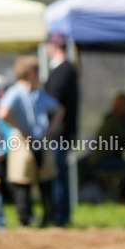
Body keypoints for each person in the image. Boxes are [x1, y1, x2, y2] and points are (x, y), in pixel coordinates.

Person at [0, 56, 64, 227]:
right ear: (31, 73)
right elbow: (2, 113)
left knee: (46, 180)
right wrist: (22, 131)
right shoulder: (15, 92)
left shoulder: (38, 93)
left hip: (40, 140)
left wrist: (49, 132)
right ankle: (25, 219)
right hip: (22, 141)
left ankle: (47, 218)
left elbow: (59, 110)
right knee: (22, 183)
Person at [43, 32, 79, 226]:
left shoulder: (62, 71)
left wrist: (48, 131)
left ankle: (59, 217)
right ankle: (61, 216)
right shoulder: (67, 69)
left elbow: (53, 103)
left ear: (53, 46)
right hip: (62, 133)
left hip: (58, 134)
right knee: (59, 175)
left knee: (57, 175)